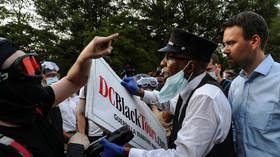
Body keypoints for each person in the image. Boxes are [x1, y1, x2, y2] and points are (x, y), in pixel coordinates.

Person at [100, 28, 231, 157]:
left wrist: (126, 153)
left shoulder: (205, 97)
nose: (163, 63)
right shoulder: (193, 89)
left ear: (190, 66)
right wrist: (141, 92)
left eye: (169, 57)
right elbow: (174, 104)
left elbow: (182, 155)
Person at [0, 33, 118, 157]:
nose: (39, 75)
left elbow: (73, 81)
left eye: (34, 63)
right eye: (26, 67)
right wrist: (75, 150)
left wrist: (87, 56)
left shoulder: (35, 104)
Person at [222, 11, 280, 157]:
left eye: (231, 43)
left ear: (254, 41)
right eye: (225, 44)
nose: (225, 50)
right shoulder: (235, 86)